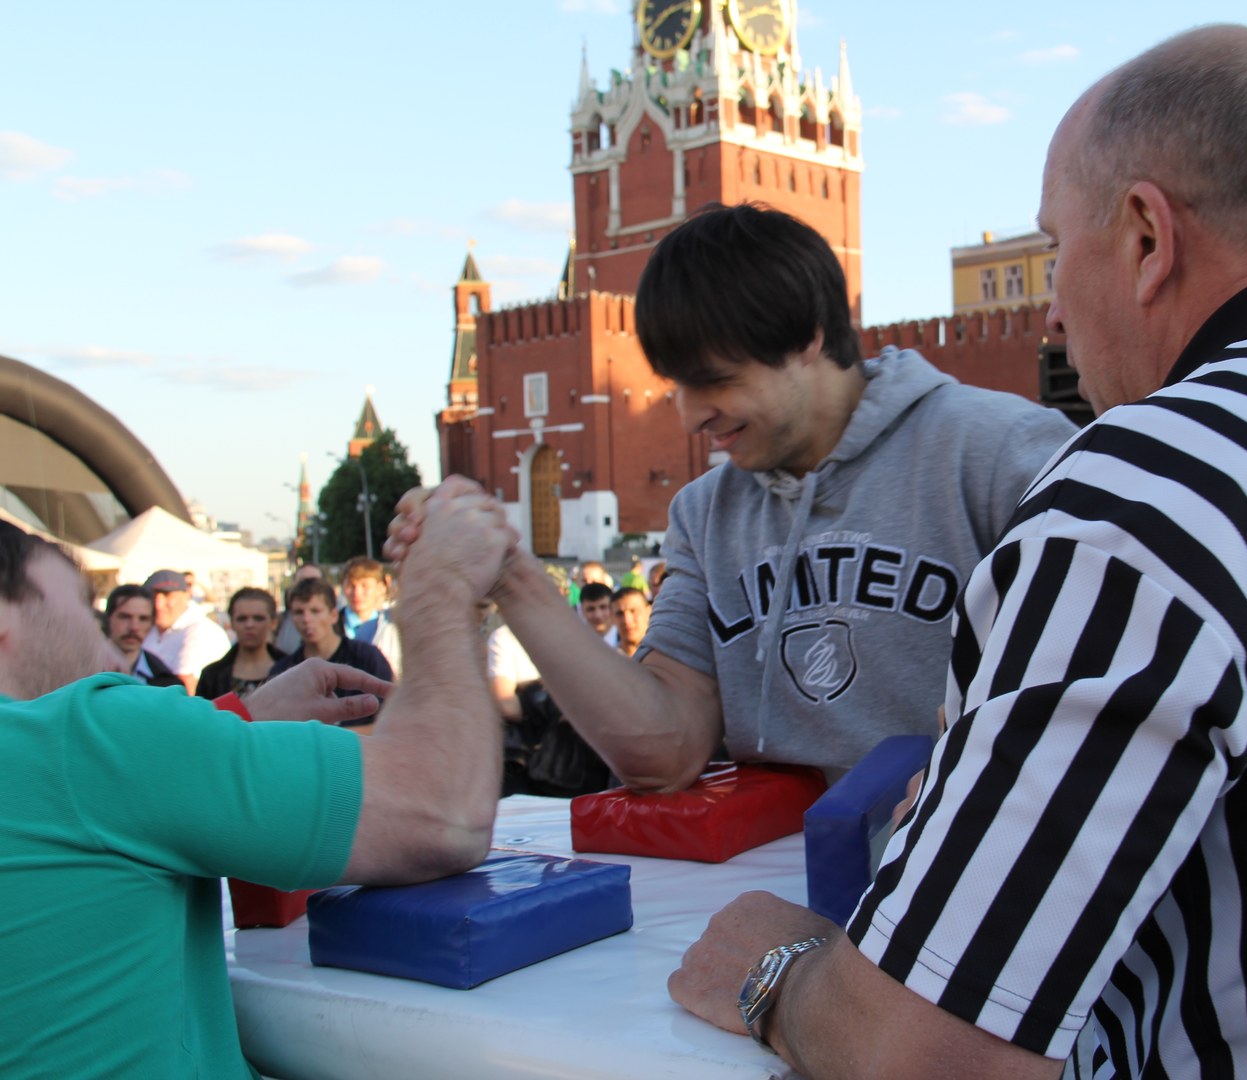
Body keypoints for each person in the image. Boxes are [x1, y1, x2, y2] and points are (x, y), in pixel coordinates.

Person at [668, 26, 1247, 1078]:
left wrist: (780, 977)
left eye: (1054, 252)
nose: (1051, 310)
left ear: (1145, 238)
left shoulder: (1156, 488)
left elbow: (932, 1051)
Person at [390, 203, 1075, 793]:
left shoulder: (1002, 455)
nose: (689, 417)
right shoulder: (705, 513)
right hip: (774, 903)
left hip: (958, 910)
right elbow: (664, 750)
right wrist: (510, 573)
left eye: (714, 381)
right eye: (675, 386)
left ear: (806, 336)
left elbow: (1095, 713)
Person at [0, 488, 515, 1076]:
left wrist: (229, 728)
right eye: (83, 607)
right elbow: (446, 811)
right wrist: (439, 592)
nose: (111, 647)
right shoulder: (87, 734)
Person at [268, 577, 394, 727]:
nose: (306, 619)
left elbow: (390, 722)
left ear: (334, 615)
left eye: (315, 611)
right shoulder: (283, 670)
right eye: (298, 612)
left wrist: (329, 739)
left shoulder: (367, 657)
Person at [141, 568, 231, 694]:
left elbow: (185, 688)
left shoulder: (201, 630)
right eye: (152, 596)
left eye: (167, 595)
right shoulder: (150, 628)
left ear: (187, 594)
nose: (158, 604)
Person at [195, 586, 285, 700]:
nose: (250, 625)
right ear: (232, 623)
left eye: (258, 618)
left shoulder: (292, 669)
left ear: (273, 622)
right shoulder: (211, 676)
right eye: (242, 618)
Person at [101, 584, 183, 689]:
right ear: (108, 618)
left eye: (143, 619)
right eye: (125, 617)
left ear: (151, 623)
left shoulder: (166, 682)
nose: (134, 627)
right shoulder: (81, 669)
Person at [272, 563, 326, 655]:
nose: (307, 588)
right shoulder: (279, 621)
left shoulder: (339, 621)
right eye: (302, 582)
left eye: (314, 582)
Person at [610, 586, 651, 658]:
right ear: (612, 618)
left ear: (649, 612)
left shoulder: (667, 656)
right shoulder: (607, 661)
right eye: (620, 614)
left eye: (633, 611)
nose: (626, 620)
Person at [576, 581, 618, 646]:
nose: (598, 615)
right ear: (582, 611)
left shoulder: (626, 639)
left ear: (613, 607)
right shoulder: (575, 643)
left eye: (603, 607)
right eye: (590, 609)